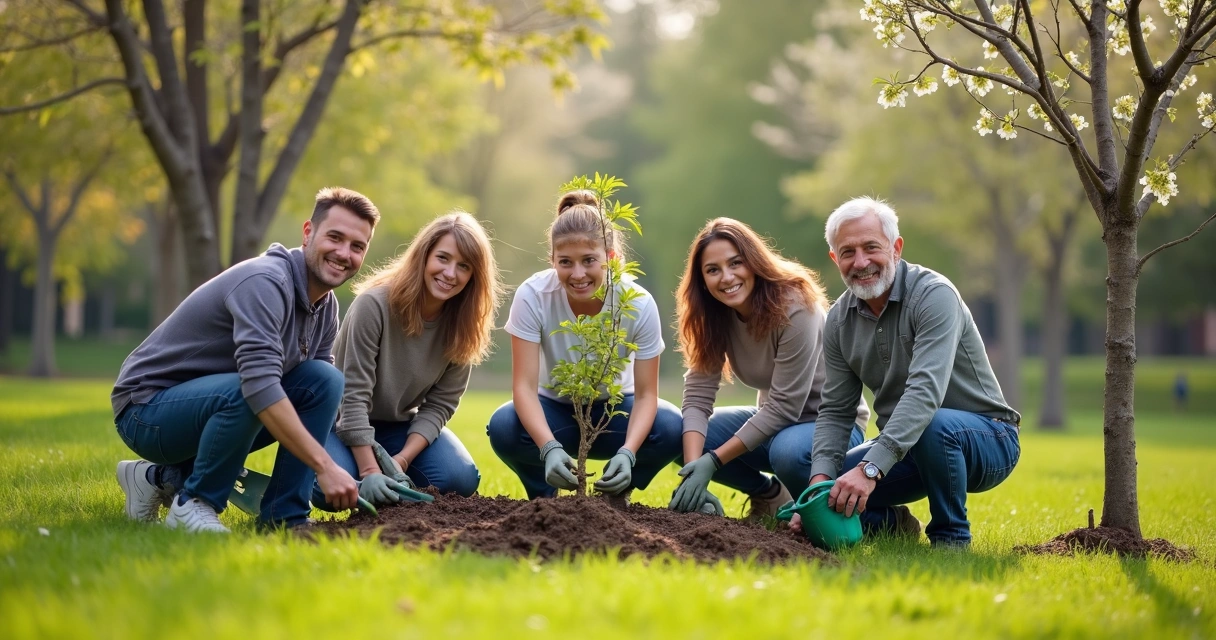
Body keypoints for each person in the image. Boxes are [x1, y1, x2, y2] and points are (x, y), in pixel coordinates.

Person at [112, 187, 380, 533]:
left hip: (212, 409)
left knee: (325, 380)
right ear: (308, 233)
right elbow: (258, 385)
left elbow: (315, 397)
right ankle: (194, 503)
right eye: (335, 238)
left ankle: (283, 516)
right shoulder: (266, 282)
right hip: (145, 410)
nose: (344, 253)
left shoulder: (326, 307)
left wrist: (372, 463)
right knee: (249, 387)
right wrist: (325, 467)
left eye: (357, 246)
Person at [805, 196, 1021, 547]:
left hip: (987, 440)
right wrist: (818, 484)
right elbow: (835, 410)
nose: (860, 262)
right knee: (823, 476)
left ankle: (951, 540)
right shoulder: (838, 320)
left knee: (933, 424)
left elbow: (924, 392)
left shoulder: (934, 295)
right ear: (835, 258)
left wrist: (870, 469)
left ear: (896, 248)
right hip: (906, 447)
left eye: (871, 247)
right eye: (847, 252)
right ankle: (891, 524)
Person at [486, 191, 682, 501]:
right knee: (504, 426)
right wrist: (548, 448)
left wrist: (629, 453)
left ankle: (617, 491)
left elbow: (646, 395)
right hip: (553, 410)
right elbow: (523, 388)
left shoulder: (637, 303)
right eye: (565, 262)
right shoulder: (533, 295)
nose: (578, 274)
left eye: (589, 260)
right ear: (552, 260)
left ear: (611, 258)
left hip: (615, 411)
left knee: (671, 428)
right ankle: (543, 493)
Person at [669, 218, 870, 519]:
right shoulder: (714, 313)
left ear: (753, 261)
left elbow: (785, 406)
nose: (726, 277)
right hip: (777, 426)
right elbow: (697, 396)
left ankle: (885, 518)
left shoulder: (795, 305)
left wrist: (712, 463)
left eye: (735, 263)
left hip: (833, 424)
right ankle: (770, 496)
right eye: (713, 270)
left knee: (788, 453)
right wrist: (692, 470)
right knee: (678, 431)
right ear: (702, 279)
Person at [312, 212, 503, 510]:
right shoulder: (373, 306)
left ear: (474, 276)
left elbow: (440, 406)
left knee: (458, 479)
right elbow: (352, 397)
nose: (450, 273)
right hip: (336, 422)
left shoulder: (464, 326)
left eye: (463, 266)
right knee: (338, 488)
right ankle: (331, 472)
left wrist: (401, 460)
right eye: (443, 258)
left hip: (396, 426)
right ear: (424, 256)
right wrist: (371, 471)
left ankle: (387, 483)